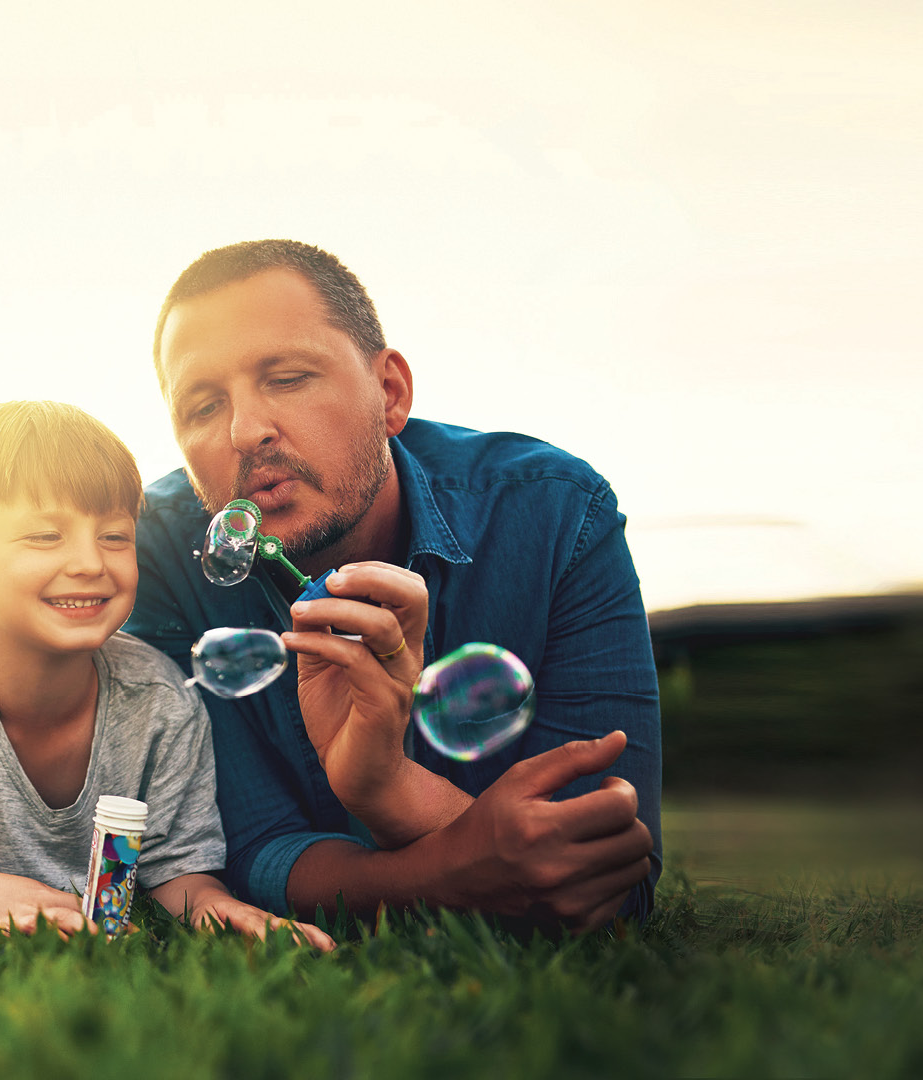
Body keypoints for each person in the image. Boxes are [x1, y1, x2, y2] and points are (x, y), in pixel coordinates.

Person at [123, 240, 660, 934]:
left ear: (390, 392)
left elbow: (612, 881)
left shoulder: (557, 515)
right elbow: (241, 848)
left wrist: (390, 788)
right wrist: (448, 870)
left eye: (286, 377)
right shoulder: (151, 550)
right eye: (201, 406)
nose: (245, 431)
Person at [0, 400, 333, 949]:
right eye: (46, 537)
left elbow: (180, 876)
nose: (91, 563)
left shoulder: (162, 699)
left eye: (115, 537)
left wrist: (221, 911)